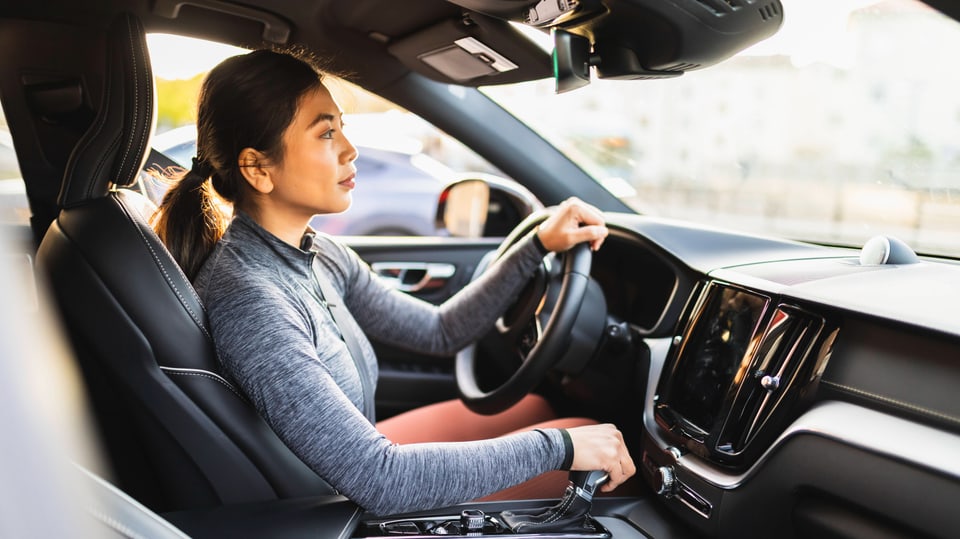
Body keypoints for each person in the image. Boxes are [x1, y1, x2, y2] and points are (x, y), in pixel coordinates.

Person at [152, 48, 635, 516]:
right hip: (340, 507)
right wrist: (561, 446)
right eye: (325, 134)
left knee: (539, 406)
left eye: (342, 127)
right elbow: (380, 479)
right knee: (588, 444)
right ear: (258, 168)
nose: (349, 149)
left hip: (360, 462)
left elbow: (440, 331)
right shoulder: (251, 300)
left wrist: (535, 245)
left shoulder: (319, 253)